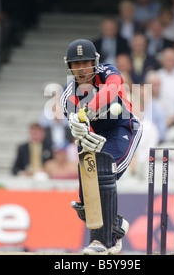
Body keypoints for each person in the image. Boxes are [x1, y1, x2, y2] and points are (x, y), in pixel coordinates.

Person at [60, 39, 142, 255]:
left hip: (123, 128)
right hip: (96, 137)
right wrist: (78, 127)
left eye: (85, 63)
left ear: (94, 62)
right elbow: (71, 118)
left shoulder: (107, 71)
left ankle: (101, 243)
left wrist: (86, 111)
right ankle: (115, 227)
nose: (81, 69)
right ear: (69, 66)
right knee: (86, 201)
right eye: (76, 64)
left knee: (104, 175)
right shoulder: (69, 94)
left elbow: (113, 88)